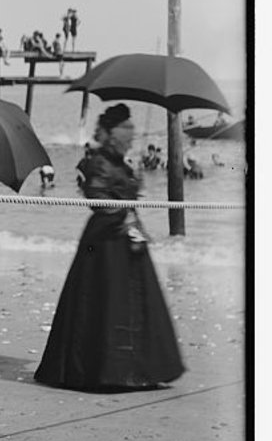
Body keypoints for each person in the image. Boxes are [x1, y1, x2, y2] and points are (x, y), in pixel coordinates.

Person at [35, 104, 184, 392]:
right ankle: (104, 371)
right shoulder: (101, 161)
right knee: (103, 301)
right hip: (105, 241)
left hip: (127, 237)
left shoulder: (120, 161)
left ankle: (137, 368)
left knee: (133, 302)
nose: (131, 137)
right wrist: (124, 213)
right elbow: (97, 198)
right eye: (126, 131)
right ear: (113, 133)